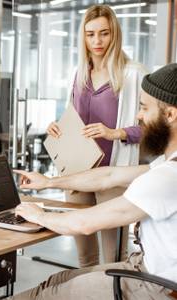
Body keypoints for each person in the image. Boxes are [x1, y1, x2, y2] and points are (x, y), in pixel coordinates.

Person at [11, 63, 177, 299]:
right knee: (58, 279)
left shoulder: (166, 178)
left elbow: (84, 224)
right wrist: (49, 182)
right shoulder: (165, 164)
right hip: (147, 270)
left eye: (144, 108)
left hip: (155, 286)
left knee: (41, 295)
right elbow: (108, 175)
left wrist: (38, 215)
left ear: (169, 114)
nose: (139, 116)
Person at [46, 4, 147, 266]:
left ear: (114, 34)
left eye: (104, 33)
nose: (97, 41)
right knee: (84, 256)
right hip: (78, 173)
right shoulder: (79, 74)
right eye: (90, 34)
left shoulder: (133, 74)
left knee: (113, 257)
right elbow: (73, 118)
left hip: (112, 176)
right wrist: (57, 127)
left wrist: (116, 132)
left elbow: (150, 128)